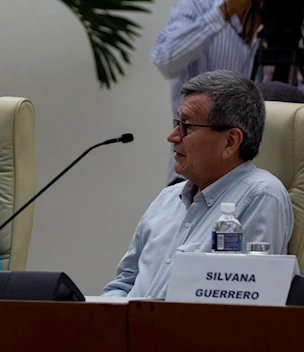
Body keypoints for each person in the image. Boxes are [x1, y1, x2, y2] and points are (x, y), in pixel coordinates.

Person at [101, 70, 294, 298]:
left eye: (187, 126)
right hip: (132, 329)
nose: (172, 136)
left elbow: (241, 302)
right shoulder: (167, 199)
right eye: (177, 123)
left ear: (230, 142)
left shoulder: (262, 196)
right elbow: (123, 284)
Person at [151, 0, 262, 186]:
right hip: (192, 174)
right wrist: (223, 12)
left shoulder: (284, 14)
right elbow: (164, 59)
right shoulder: (196, 5)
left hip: (258, 174)